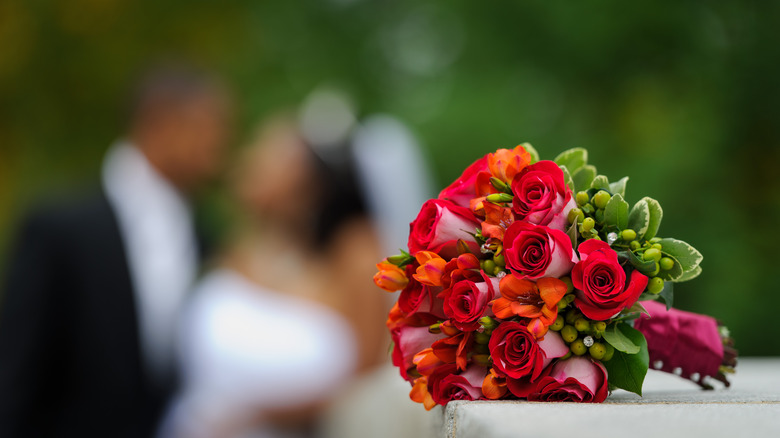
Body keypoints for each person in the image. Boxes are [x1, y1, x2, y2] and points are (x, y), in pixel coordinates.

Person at [0, 63, 232, 437]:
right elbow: (16, 370)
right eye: (211, 127)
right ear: (160, 121)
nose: (220, 145)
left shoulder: (209, 235)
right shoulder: (59, 227)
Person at [161, 114, 388, 438]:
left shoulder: (355, 255)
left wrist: (251, 416)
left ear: (307, 180)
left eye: (269, 153)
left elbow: (364, 380)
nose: (248, 157)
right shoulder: (231, 247)